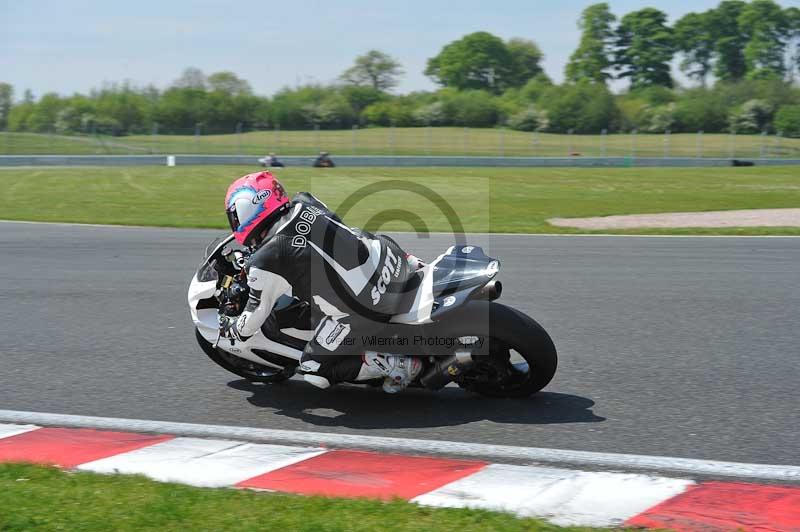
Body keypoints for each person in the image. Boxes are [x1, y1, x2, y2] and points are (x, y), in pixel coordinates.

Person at [219, 171, 424, 393]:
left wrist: (231, 329)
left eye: (235, 216)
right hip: (392, 259)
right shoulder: (306, 200)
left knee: (312, 367)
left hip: (369, 305)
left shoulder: (266, 259)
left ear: (249, 210)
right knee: (353, 233)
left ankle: (395, 364)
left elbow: (254, 317)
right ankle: (412, 260)